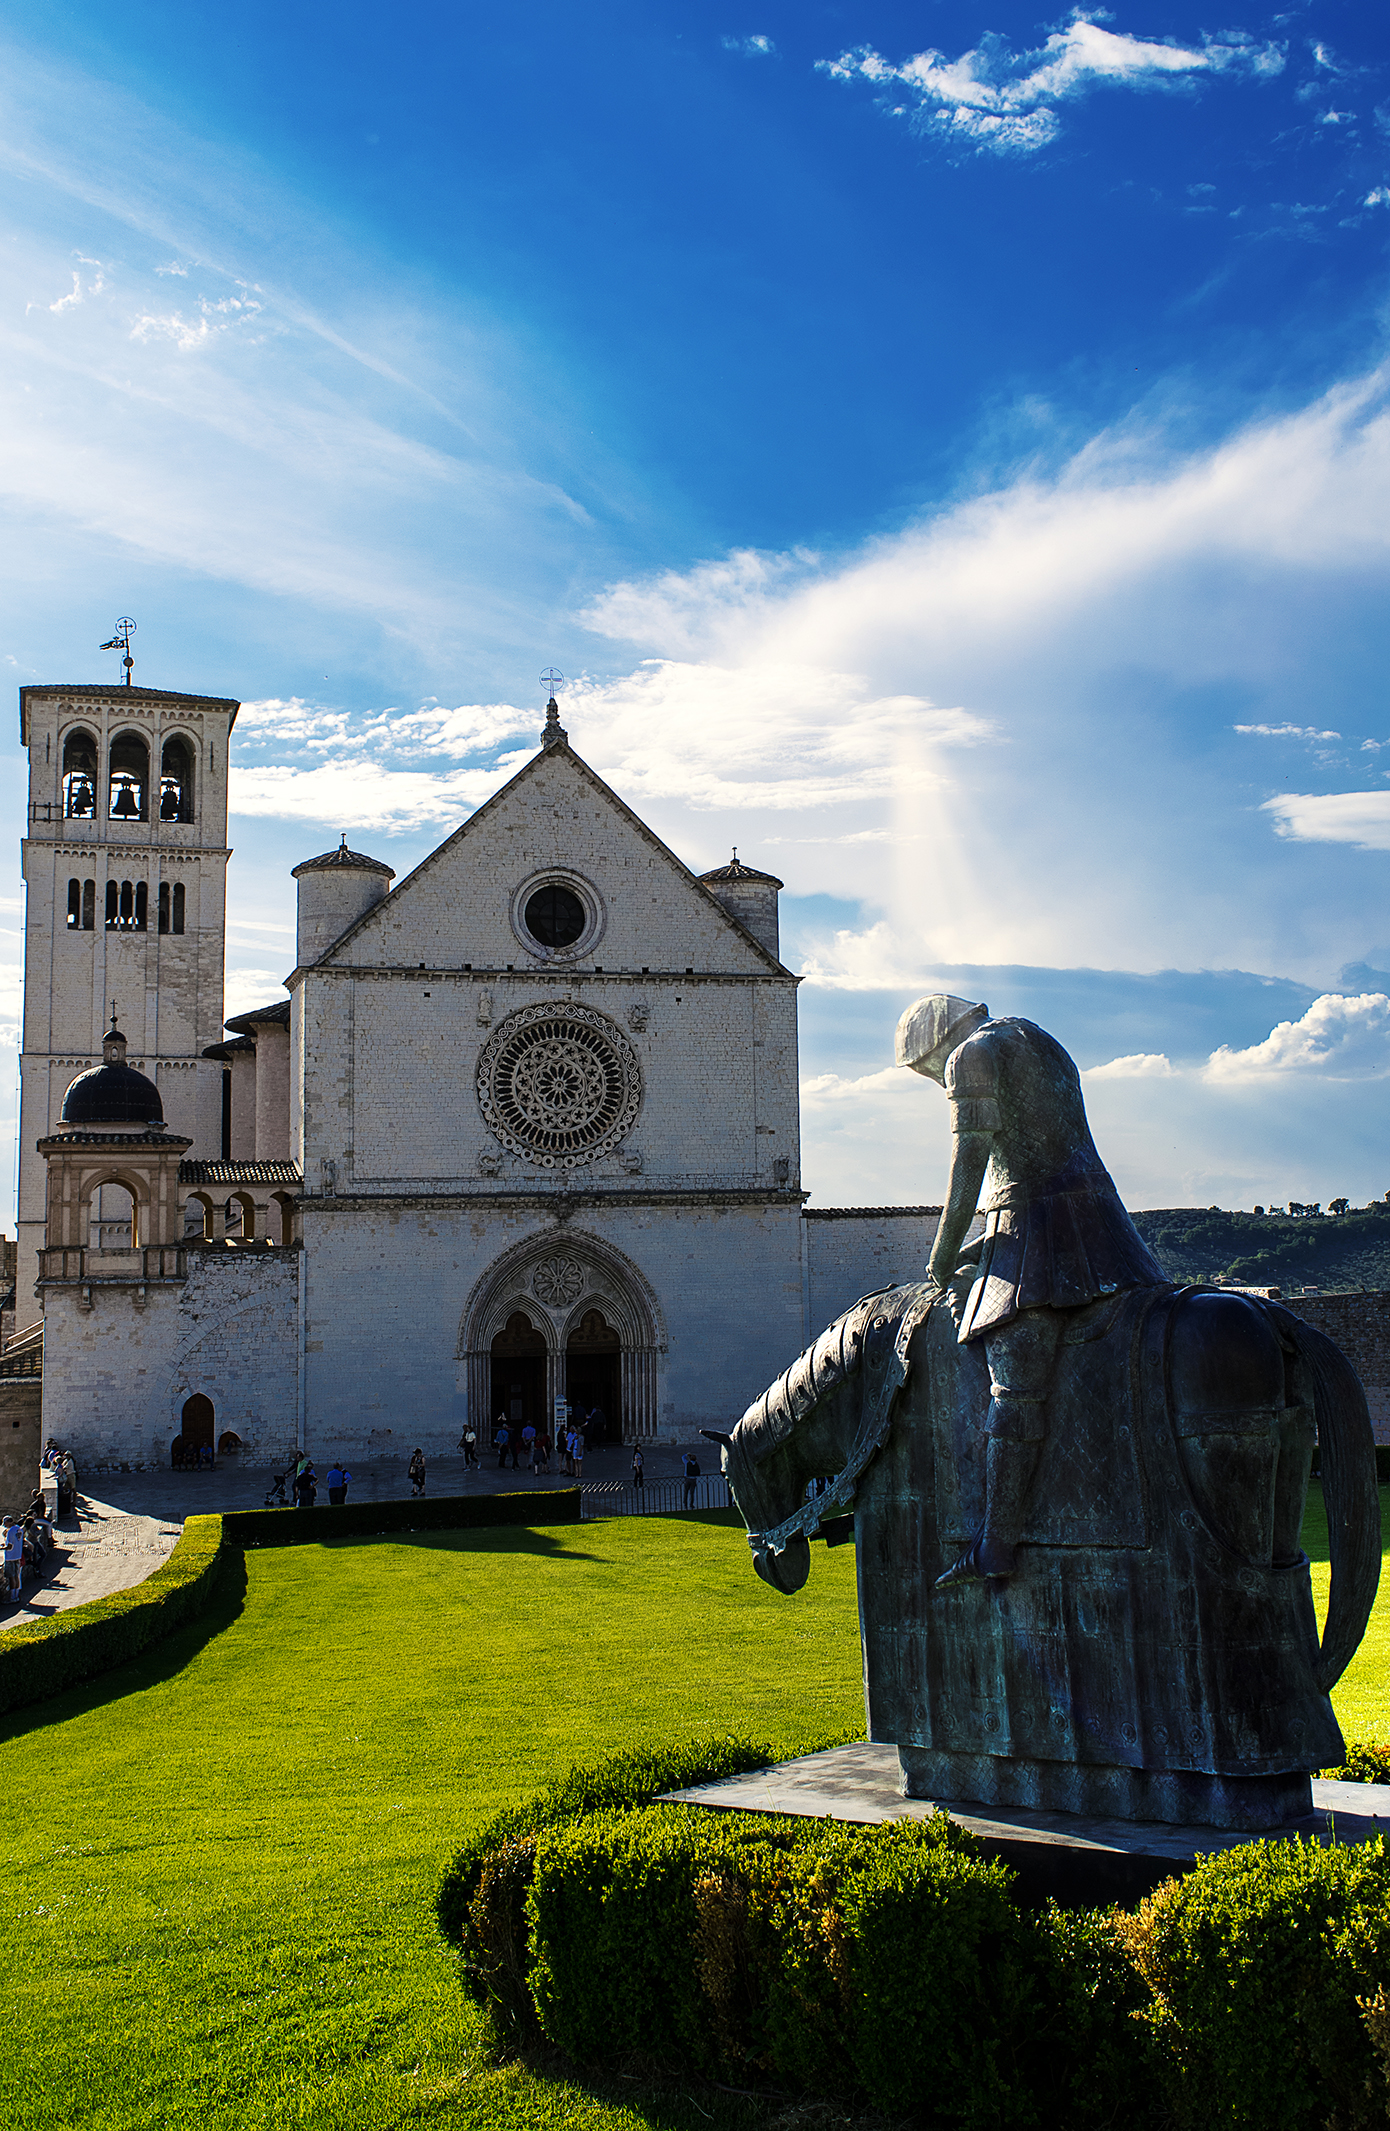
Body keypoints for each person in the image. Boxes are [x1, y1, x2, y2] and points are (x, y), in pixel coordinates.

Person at [896, 993, 1166, 1587]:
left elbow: (971, 1163)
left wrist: (941, 1255)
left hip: (1041, 1227)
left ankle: (996, 1544)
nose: (936, 1080)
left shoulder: (970, 1055)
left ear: (936, 1045)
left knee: (1014, 1385)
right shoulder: (1036, 1038)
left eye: (926, 1073)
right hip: (1100, 1221)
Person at [3, 1517, 23, 1601]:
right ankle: (16, 1595)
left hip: (10, 1557)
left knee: (11, 1577)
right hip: (17, 1555)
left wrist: (2, 1548)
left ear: (9, 1522)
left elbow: (9, 1546)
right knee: (16, 1576)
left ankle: (12, 1597)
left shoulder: (10, 1531)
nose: (4, 1524)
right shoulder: (19, 1529)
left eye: (5, 1522)